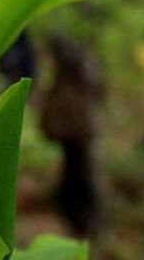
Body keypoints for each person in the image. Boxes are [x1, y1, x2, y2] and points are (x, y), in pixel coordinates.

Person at [40, 34, 106, 236]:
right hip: (74, 129)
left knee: (81, 172)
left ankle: (86, 220)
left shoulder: (82, 68)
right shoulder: (68, 74)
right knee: (73, 169)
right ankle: (75, 213)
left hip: (80, 128)